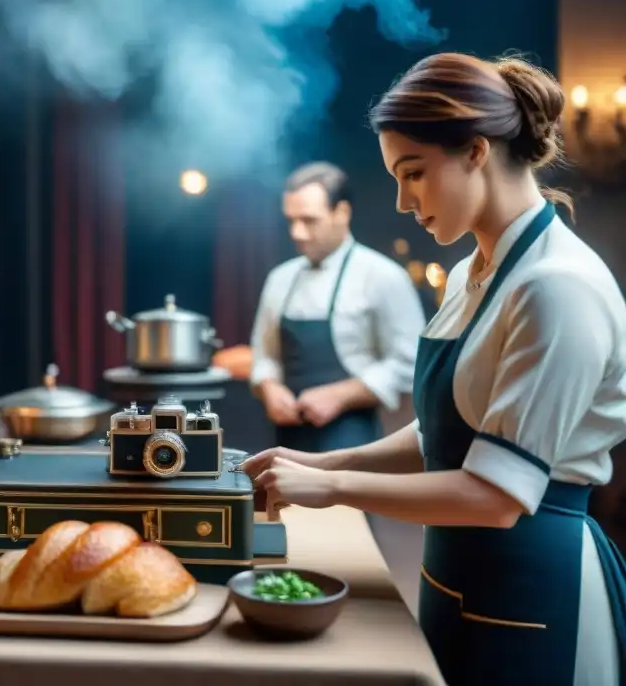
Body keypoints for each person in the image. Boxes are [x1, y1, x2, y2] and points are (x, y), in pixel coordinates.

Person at [242, 53, 626, 685]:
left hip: (534, 585)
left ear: (476, 150)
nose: (400, 201)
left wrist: (335, 490)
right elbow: (442, 435)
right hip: (452, 571)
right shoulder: (469, 274)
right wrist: (322, 463)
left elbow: (498, 496)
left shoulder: (556, 286)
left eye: (413, 173)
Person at [248, 161, 425, 453]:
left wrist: (342, 395)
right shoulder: (280, 279)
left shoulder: (383, 276)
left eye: (309, 220)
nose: (297, 233)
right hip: (287, 440)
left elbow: (411, 361)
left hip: (353, 440)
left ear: (341, 212)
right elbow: (264, 354)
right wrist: (269, 387)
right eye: (291, 221)